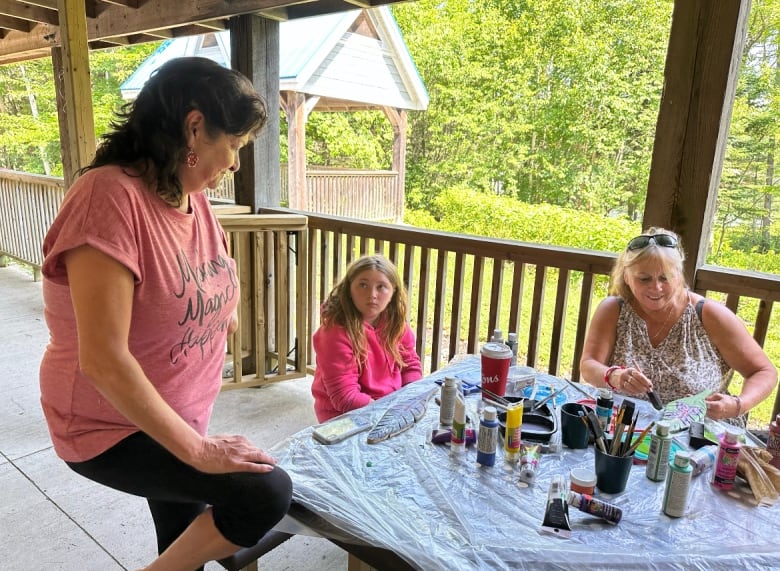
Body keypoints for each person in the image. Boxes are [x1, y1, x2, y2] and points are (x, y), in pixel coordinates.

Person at [38, 57, 292, 571]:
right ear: (194, 126)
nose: (237, 162)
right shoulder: (108, 198)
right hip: (109, 428)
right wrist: (197, 452)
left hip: (180, 416)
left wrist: (222, 316)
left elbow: (217, 279)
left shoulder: (191, 199)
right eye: (236, 144)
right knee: (263, 492)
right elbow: (104, 360)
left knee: (185, 548)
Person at [580, 227, 776, 424]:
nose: (656, 287)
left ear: (679, 275)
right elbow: (589, 365)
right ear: (627, 277)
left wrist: (737, 405)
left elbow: (764, 372)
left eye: (665, 277)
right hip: (624, 430)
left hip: (701, 437)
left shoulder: (708, 315)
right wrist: (613, 376)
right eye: (644, 278)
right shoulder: (614, 309)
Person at [311, 254, 423, 422]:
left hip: (389, 405)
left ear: (393, 292)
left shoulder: (395, 322)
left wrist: (410, 398)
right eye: (363, 285)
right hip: (343, 416)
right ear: (349, 289)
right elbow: (345, 396)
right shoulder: (335, 331)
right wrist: (388, 415)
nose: (372, 294)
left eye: (381, 287)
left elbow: (410, 364)